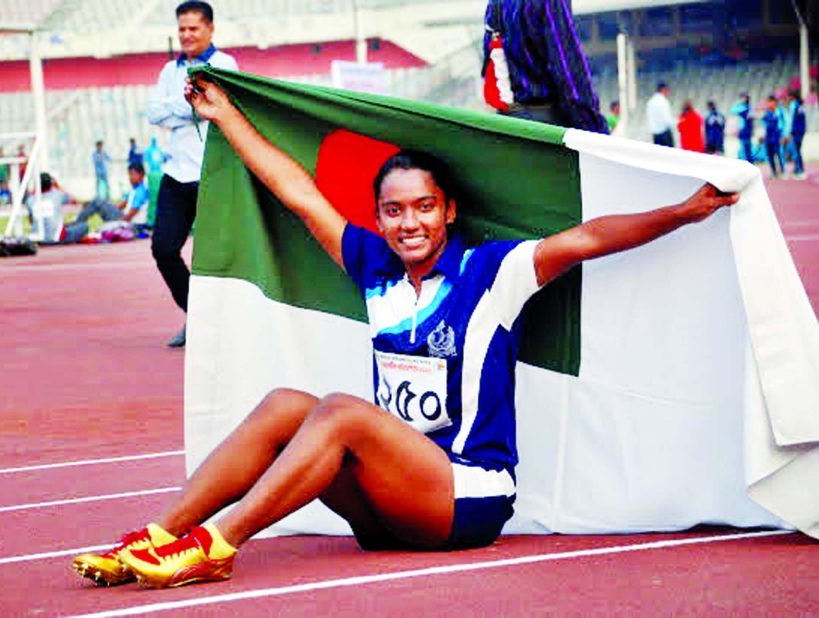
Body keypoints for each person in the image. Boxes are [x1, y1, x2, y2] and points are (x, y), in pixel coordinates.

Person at [71, 79, 738, 589]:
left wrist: (682, 211)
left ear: (447, 211)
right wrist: (226, 117)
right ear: (380, 218)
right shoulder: (372, 268)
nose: (408, 222)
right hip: (385, 506)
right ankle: (157, 536)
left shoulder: (491, 271)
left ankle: (215, 544)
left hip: (464, 498)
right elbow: (298, 194)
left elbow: (586, 237)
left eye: (423, 207)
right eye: (393, 211)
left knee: (338, 412)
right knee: (283, 404)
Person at [146, 1, 238, 348]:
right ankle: (197, 317)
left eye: (193, 28)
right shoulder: (169, 71)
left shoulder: (224, 65)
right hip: (176, 172)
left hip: (213, 173)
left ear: (210, 29)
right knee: (163, 248)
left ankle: (228, 326)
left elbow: (218, 105)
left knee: (215, 255)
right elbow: (154, 113)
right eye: (181, 29)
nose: (186, 35)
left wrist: (186, 108)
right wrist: (187, 106)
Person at [481, 0, 608, 133]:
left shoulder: (495, 3)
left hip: (508, 123)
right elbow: (568, 73)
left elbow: (490, 64)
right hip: (548, 127)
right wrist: (596, 129)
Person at [69, 162, 150, 234]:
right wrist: (106, 206)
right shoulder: (133, 190)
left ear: (141, 175)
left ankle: (76, 222)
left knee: (98, 202)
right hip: (122, 216)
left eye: (133, 174)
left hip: (132, 223)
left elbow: (129, 216)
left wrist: (115, 224)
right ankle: (78, 222)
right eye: (129, 174)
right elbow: (120, 206)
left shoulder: (141, 191)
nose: (130, 177)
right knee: (98, 203)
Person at [646, 82, 676, 147]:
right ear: (663, 90)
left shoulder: (650, 102)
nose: (668, 93)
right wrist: (677, 121)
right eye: (667, 91)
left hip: (655, 135)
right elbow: (667, 120)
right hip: (664, 134)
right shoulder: (663, 102)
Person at [786, 91, 807, 180]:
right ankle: (799, 170)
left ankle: (799, 171)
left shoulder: (794, 105)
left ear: (792, 97)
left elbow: (792, 120)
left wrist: (790, 133)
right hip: (801, 132)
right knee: (797, 152)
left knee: (795, 153)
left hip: (795, 133)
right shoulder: (800, 106)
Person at [762, 95, 784, 179]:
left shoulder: (779, 112)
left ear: (774, 102)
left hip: (776, 138)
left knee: (778, 154)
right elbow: (764, 125)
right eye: (768, 102)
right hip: (768, 138)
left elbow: (781, 125)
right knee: (770, 155)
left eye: (771, 102)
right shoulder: (767, 113)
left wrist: (782, 136)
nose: (769, 104)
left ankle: (781, 171)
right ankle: (774, 172)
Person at [730, 94, 754, 163]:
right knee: (747, 149)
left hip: (745, 132)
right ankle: (750, 163)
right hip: (746, 131)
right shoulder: (748, 108)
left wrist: (738, 102)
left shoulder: (744, 109)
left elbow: (732, 110)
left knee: (745, 150)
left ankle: (748, 164)